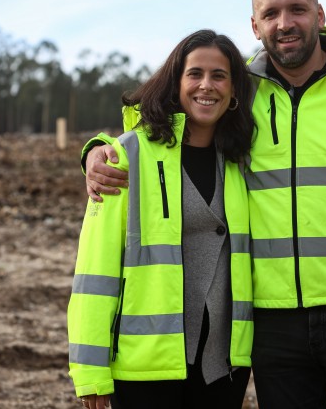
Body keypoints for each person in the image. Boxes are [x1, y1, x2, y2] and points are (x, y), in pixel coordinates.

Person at [84, 0, 326, 409]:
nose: (285, 22)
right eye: (271, 13)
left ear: (319, 15)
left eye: (297, 9)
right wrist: (100, 150)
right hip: (273, 323)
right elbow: (166, 125)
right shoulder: (240, 93)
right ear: (255, 26)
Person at [68, 29, 255, 409]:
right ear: (175, 82)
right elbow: (95, 269)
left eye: (219, 75)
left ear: (234, 90)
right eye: (195, 74)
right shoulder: (126, 156)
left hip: (222, 366)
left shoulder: (243, 162)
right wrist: (89, 370)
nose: (207, 85)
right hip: (144, 369)